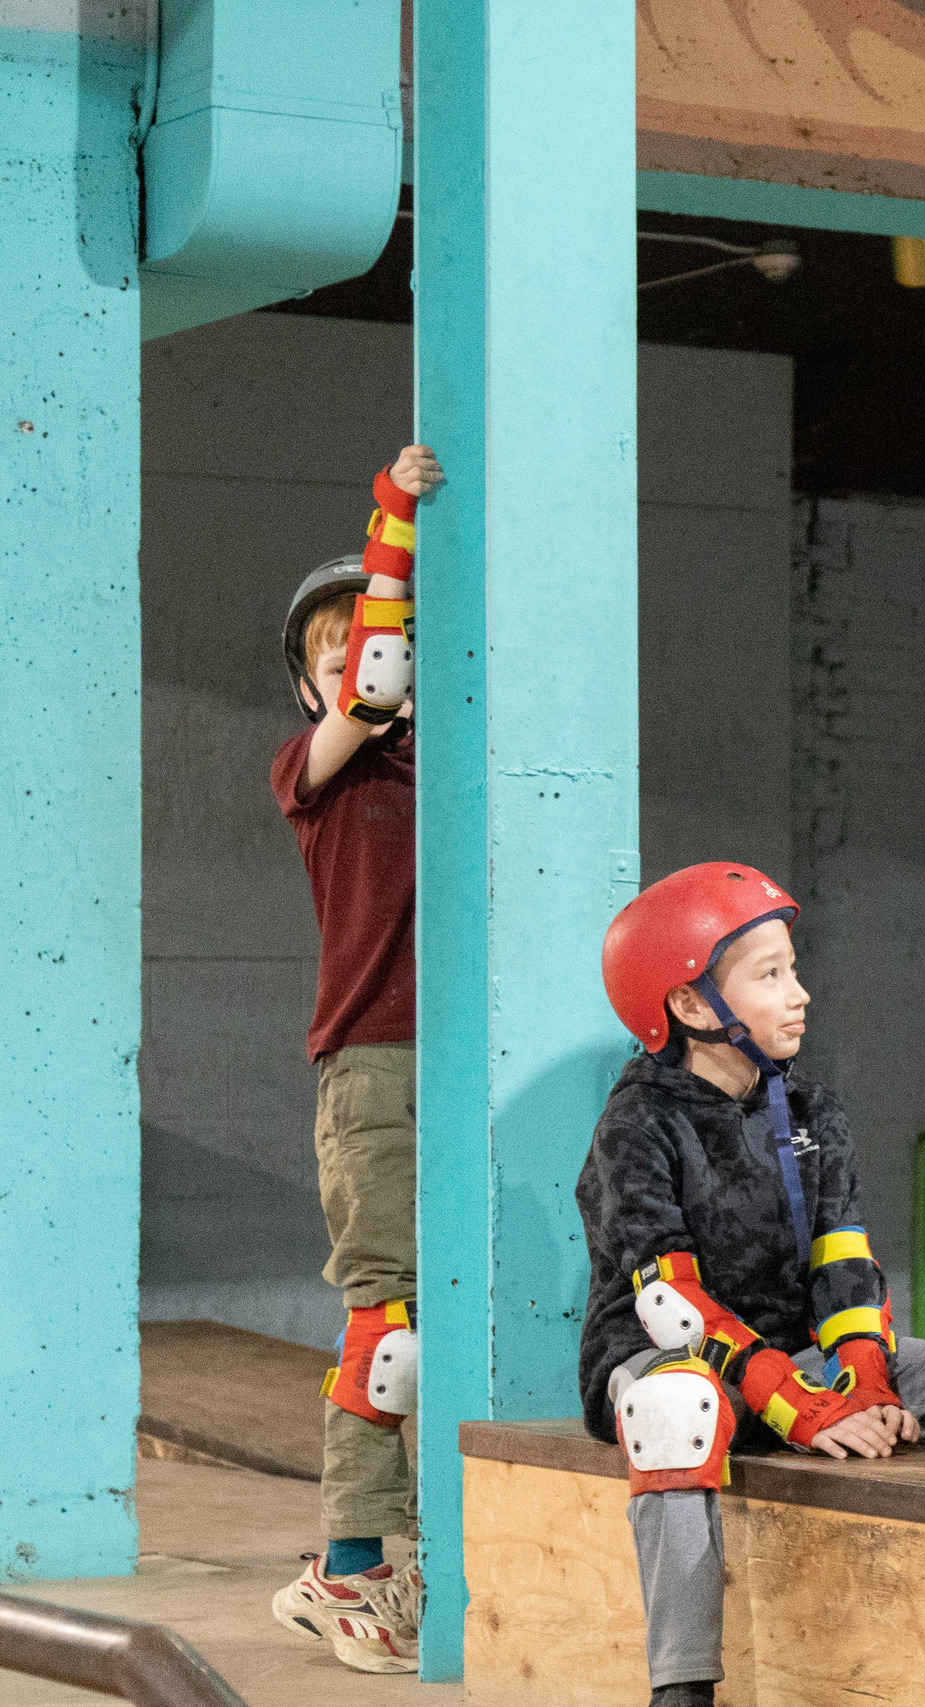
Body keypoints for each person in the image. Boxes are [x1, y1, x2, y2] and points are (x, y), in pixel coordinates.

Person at [581, 863, 925, 1707]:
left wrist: (864, 1383)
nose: (798, 992)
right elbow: (670, 1305)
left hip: (806, 1355)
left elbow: (845, 1266)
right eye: (769, 976)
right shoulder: (638, 1121)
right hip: (675, 1362)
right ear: (691, 1007)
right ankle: (683, 1688)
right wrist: (801, 1405)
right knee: (674, 1411)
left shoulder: (811, 1110)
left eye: (792, 967)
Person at [267, 445, 440, 1674]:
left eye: (365, 634)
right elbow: (372, 690)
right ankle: (348, 1565)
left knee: (462, 1313)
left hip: (468, 1055)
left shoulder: (458, 767)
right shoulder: (316, 773)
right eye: (330, 645)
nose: (358, 652)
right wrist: (389, 523)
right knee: (387, 1323)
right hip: (374, 1059)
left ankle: (429, 1545)